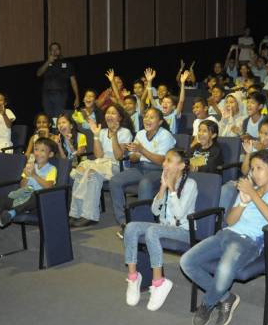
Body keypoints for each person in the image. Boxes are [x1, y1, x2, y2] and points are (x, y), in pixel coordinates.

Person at [180, 149, 268, 325]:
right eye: (252, 168)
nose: (254, 172)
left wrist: (252, 196)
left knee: (224, 270)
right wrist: (244, 202)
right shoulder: (248, 191)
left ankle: (207, 303)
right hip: (226, 234)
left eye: (259, 168)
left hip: (248, 241)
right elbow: (230, 220)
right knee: (187, 262)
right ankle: (225, 298)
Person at [124, 149, 199, 311]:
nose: (164, 164)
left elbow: (179, 214)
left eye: (169, 160)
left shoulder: (190, 185)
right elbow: (155, 211)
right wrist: (162, 189)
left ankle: (159, 282)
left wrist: (171, 189)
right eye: (164, 160)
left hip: (184, 231)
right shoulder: (166, 181)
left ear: (181, 165)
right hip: (165, 227)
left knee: (152, 231)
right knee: (131, 227)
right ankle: (133, 277)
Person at [0, 137, 58, 243]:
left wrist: (35, 175)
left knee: (35, 194)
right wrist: (27, 176)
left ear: (50, 154)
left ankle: (11, 214)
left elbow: (48, 186)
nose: (38, 153)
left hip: (40, 202)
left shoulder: (51, 169)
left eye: (42, 150)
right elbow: (22, 186)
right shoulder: (31, 166)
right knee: (1, 200)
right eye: (36, 149)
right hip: (24, 196)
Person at [109, 107, 177, 237]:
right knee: (115, 181)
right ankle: (124, 222)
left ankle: (143, 225)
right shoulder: (140, 134)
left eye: (152, 117)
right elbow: (134, 157)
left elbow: (162, 160)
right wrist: (135, 154)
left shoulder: (165, 135)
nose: (147, 119)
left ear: (160, 122)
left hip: (159, 170)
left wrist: (142, 150)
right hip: (140, 167)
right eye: (146, 117)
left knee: (145, 183)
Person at [69, 105, 133, 227]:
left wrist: (114, 136)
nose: (109, 115)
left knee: (93, 173)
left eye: (113, 113)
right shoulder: (102, 131)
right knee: (81, 169)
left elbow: (119, 156)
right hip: (102, 163)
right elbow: (99, 156)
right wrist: (96, 136)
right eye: (108, 113)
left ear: (119, 117)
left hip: (117, 166)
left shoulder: (125, 132)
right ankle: (75, 213)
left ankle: (89, 215)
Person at [36, 42, 79, 120]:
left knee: (57, 117)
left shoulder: (66, 64)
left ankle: (57, 131)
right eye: (52, 50)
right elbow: (38, 74)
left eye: (56, 49)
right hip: (47, 95)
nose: (54, 51)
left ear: (59, 51)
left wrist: (77, 97)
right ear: (49, 52)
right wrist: (48, 62)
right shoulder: (46, 63)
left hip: (60, 95)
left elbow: (73, 81)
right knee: (48, 118)